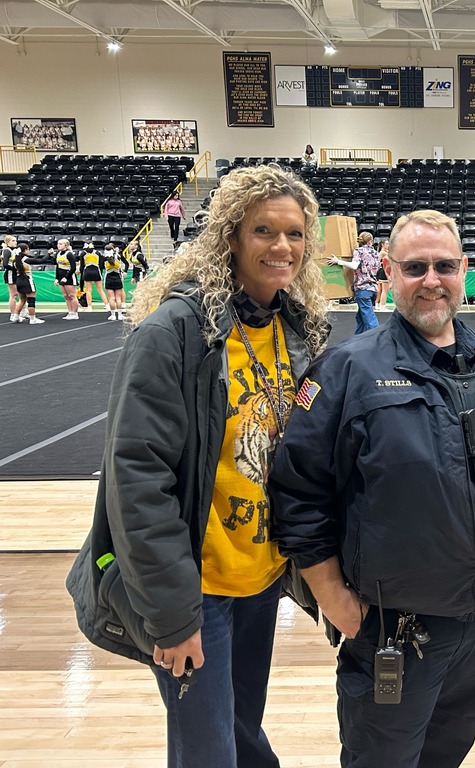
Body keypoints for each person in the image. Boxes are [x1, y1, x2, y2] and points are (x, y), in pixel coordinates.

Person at [66, 164, 331, 768]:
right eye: (264, 230)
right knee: (209, 752)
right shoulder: (174, 333)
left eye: (295, 233)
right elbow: (137, 480)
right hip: (195, 590)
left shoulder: (297, 330)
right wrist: (171, 614)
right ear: (231, 236)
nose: (282, 246)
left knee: (238, 731)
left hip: (260, 581)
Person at [267, 209, 475, 768]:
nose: (431, 280)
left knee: (447, 755)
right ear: (388, 273)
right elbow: (296, 490)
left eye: (444, 266)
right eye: (415, 267)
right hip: (394, 629)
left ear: (465, 269)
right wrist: (331, 597)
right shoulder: (346, 370)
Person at [328, 230, 380, 334]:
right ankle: (357, 339)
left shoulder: (359, 251)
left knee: (369, 319)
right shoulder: (376, 253)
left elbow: (355, 265)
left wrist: (338, 261)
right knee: (361, 317)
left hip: (362, 289)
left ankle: (378, 338)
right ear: (370, 241)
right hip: (373, 289)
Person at [13, 243, 45, 324]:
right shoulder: (25, 259)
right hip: (27, 280)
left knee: (22, 300)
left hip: (18, 280)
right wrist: (49, 254)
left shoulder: (15, 259)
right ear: (26, 250)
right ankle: (32, 319)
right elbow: (41, 261)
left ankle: (15, 316)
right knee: (31, 300)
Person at [52, 238, 80, 320]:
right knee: (66, 296)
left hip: (69, 277)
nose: (58, 245)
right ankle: (70, 312)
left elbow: (73, 268)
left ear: (66, 245)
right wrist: (57, 278)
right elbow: (57, 266)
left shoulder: (69, 254)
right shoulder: (58, 254)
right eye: (58, 244)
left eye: (61, 244)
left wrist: (66, 277)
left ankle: (75, 313)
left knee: (72, 295)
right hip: (61, 277)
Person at [79, 241, 107, 311]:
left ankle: (89, 307)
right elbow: (101, 265)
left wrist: (82, 275)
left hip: (87, 271)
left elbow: (82, 266)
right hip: (96, 271)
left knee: (88, 290)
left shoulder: (83, 253)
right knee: (100, 290)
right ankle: (107, 304)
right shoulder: (97, 253)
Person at [102, 243, 127, 321]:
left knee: (111, 298)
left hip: (109, 278)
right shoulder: (118, 257)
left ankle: (113, 315)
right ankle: (119, 315)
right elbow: (126, 263)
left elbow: (101, 266)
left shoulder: (104, 258)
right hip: (117, 278)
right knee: (118, 298)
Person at [3, 234, 20, 322]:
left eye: (15, 240)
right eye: (13, 241)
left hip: (16, 274)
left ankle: (21, 312)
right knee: (14, 294)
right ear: (8, 242)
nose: (15, 242)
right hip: (10, 274)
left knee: (21, 293)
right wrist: (14, 269)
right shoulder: (7, 251)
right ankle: (13, 314)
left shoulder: (15, 250)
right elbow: (5, 264)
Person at [374, 239, 391, 311]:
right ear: (382, 245)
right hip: (383, 271)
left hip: (381, 270)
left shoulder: (384, 252)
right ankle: (382, 306)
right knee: (385, 290)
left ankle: (377, 304)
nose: (388, 245)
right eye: (387, 244)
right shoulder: (383, 253)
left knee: (380, 290)